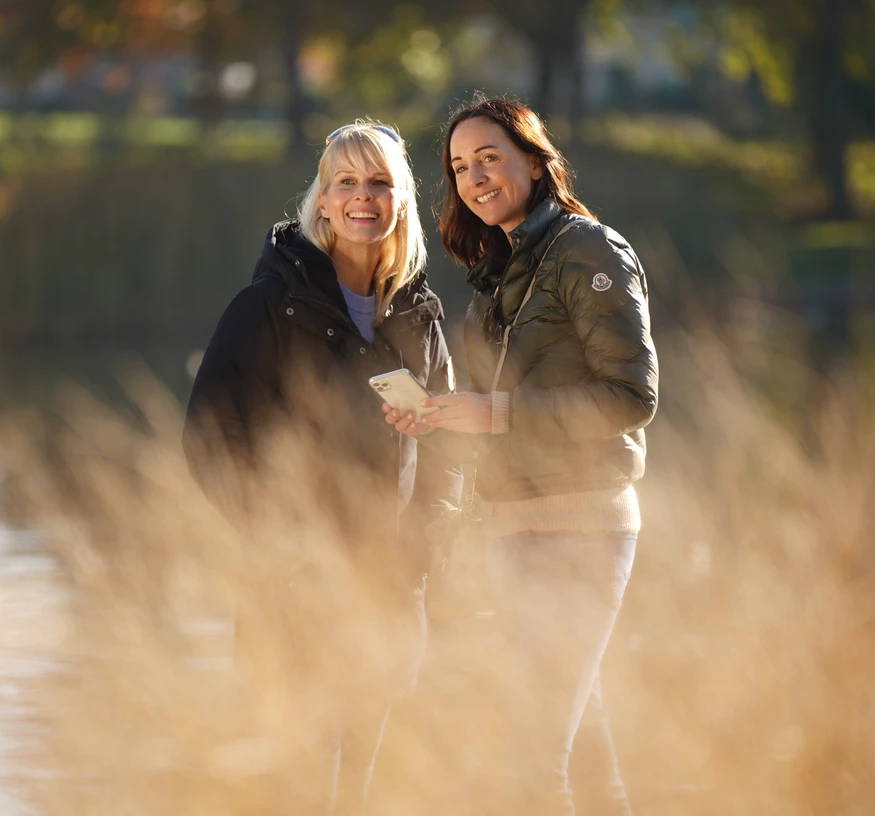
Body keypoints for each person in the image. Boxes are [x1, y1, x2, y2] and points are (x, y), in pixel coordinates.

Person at [385, 96, 658, 814]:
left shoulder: (588, 250)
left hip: (580, 531)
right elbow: (497, 423)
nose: (474, 178)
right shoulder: (500, 272)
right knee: (587, 762)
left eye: (489, 158)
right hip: (510, 533)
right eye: (459, 167)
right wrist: (436, 421)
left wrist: (494, 413)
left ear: (535, 163)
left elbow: (631, 397)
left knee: (533, 765)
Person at [182, 120, 461, 815]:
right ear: (323, 200)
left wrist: (422, 549)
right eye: (347, 182)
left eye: (380, 183)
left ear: (401, 201)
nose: (363, 196)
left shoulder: (419, 317)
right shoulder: (266, 308)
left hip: (390, 592)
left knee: (361, 789)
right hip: (291, 593)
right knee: (291, 787)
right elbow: (208, 437)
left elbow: (448, 448)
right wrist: (280, 538)